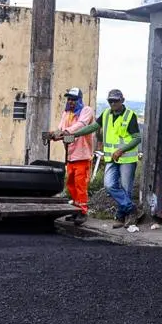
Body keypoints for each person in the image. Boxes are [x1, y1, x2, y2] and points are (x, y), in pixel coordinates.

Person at [72, 89, 142, 227]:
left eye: (116, 100)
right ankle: (132, 209)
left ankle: (123, 217)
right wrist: (75, 134)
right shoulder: (106, 114)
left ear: (122, 100)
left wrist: (122, 150)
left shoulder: (130, 116)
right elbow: (93, 127)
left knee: (126, 188)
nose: (113, 103)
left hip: (127, 158)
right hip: (111, 158)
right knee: (109, 185)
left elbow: (137, 138)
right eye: (110, 101)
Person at [50, 87, 95, 225]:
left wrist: (65, 132)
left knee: (80, 185)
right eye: (69, 99)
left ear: (79, 100)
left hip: (82, 155)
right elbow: (61, 129)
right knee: (71, 184)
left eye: (73, 99)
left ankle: (82, 211)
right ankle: (75, 210)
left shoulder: (86, 111)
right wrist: (54, 135)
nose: (71, 102)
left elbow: (80, 125)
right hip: (70, 155)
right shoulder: (67, 113)